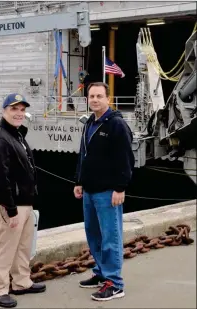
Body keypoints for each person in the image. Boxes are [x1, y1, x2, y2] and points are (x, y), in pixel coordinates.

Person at [74, 82, 135, 302]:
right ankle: (101, 273)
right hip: (89, 191)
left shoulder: (117, 124)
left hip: (107, 191)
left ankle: (115, 283)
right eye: (91, 96)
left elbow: (126, 159)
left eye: (99, 96)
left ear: (108, 98)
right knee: (94, 235)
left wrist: (120, 187)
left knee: (111, 237)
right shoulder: (90, 122)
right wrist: (78, 181)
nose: (95, 100)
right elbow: (84, 154)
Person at [0, 93, 46, 308]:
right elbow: (0, 178)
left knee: (22, 246)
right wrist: (10, 209)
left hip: (23, 202)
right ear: (4, 111)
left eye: (22, 109)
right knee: (4, 247)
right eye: (14, 109)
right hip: (8, 204)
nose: (19, 113)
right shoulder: (0, 139)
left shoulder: (16, 135)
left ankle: (21, 282)